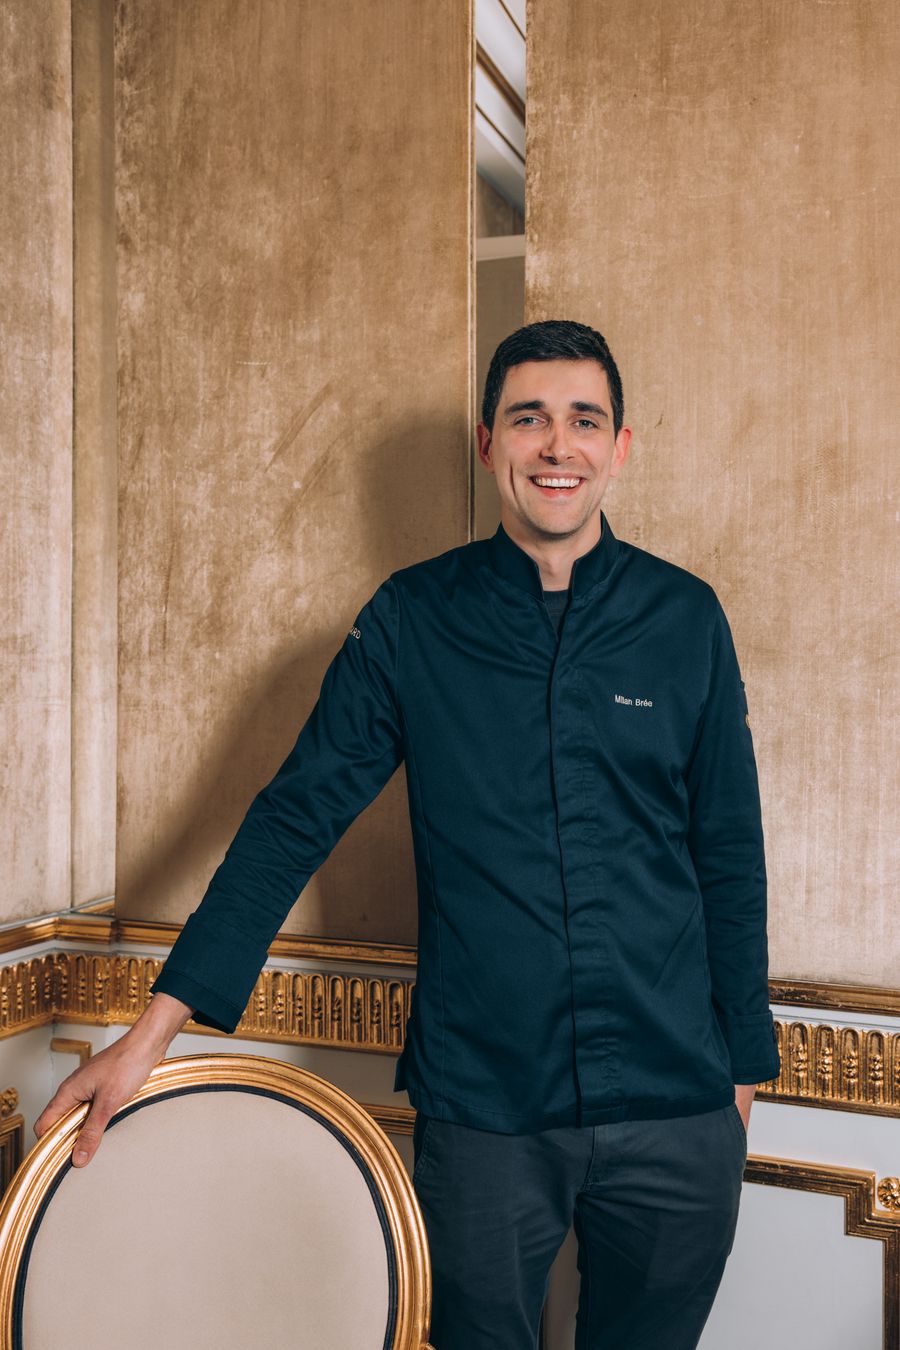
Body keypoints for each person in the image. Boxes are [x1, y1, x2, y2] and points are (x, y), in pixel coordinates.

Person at [35, 319, 780, 1349]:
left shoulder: (687, 618)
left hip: (677, 1104)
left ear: (620, 447)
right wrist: (148, 1037)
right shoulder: (409, 619)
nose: (557, 445)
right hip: (483, 1114)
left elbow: (730, 856)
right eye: (529, 418)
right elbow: (292, 821)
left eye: (584, 421)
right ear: (488, 443)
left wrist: (740, 1079)